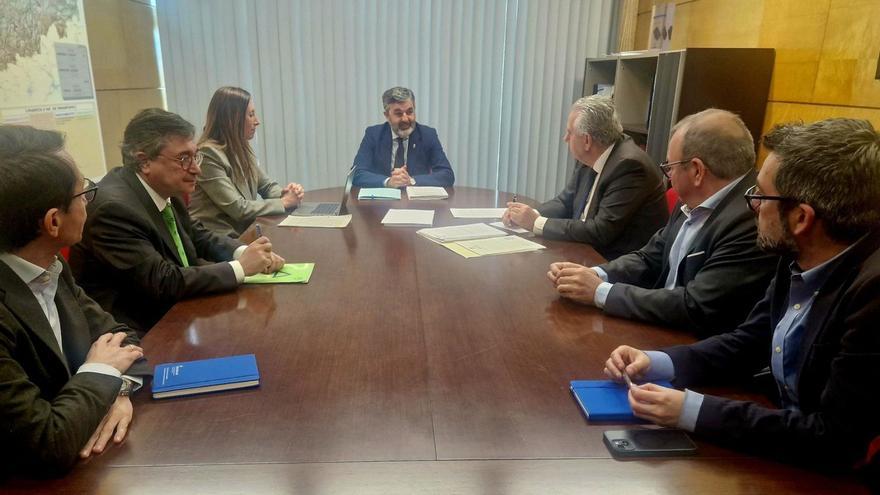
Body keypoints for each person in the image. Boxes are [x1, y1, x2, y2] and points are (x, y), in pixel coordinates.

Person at [604, 118, 880, 474]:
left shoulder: (873, 294)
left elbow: (832, 439)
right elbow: (748, 341)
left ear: (800, 218)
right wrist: (657, 361)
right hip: (774, 435)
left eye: (759, 195)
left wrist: (691, 410)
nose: (751, 206)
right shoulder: (798, 252)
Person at [548, 109, 777, 336]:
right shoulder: (693, 199)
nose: (668, 177)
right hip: (659, 323)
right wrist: (595, 274)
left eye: (670, 167)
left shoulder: (751, 220)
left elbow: (695, 304)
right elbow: (650, 256)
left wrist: (600, 292)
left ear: (697, 171)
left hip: (692, 343)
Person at [0, 125, 148, 477]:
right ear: (53, 221)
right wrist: (102, 372)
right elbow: (45, 443)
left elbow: (123, 338)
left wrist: (118, 388)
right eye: (84, 193)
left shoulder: (49, 265)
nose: (88, 202)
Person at [70, 108, 285, 334]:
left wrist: (245, 252)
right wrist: (241, 268)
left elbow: (197, 234)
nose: (196, 169)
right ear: (144, 162)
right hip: (136, 331)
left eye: (195, 156)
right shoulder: (113, 210)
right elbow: (163, 281)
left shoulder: (163, 187)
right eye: (184, 158)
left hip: (176, 312)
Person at [503, 95, 668, 260]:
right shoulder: (594, 154)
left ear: (587, 140)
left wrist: (536, 223)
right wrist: (527, 214)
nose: (565, 139)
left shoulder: (629, 167)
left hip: (615, 264)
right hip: (585, 252)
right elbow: (564, 202)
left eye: (569, 133)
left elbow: (600, 231)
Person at [189, 86, 305, 238]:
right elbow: (238, 208)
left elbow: (267, 186)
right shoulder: (208, 154)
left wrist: (286, 193)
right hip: (217, 242)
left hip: (244, 234)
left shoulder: (241, 147)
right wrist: (284, 202)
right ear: (232, 119)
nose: (257, 121)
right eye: (251, 115)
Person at [352, 86, 454, 188]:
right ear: (387, 115)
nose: (405, 119)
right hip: (382, 201)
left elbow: (447, 175)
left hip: (417, 202)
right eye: (399, 114)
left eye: (410, 112)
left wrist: (411, 181)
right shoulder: (374, 135)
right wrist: (388, 182)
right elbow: (357, 174)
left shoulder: (427, 135)